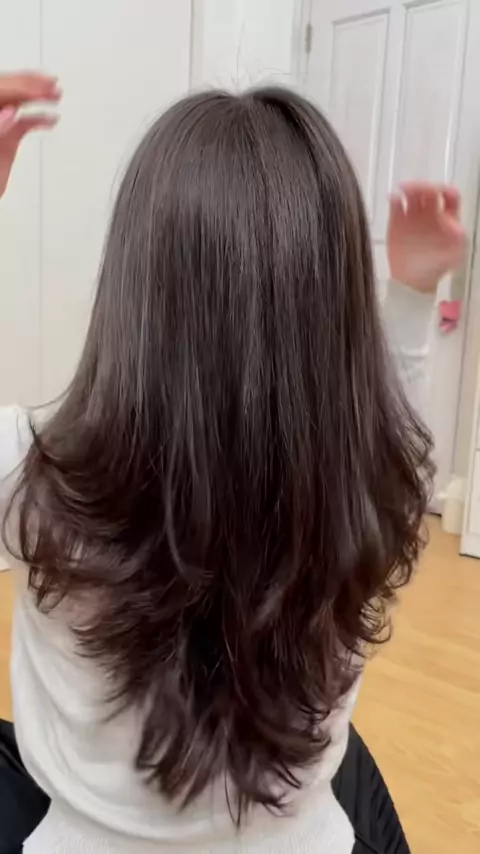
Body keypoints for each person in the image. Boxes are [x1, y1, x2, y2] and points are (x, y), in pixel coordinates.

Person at [0, 72, 467, 854]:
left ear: (133, 285)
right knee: (353, 762)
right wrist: (416, 291)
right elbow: (390, 420)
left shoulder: (35, 476)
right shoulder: (373, 484)